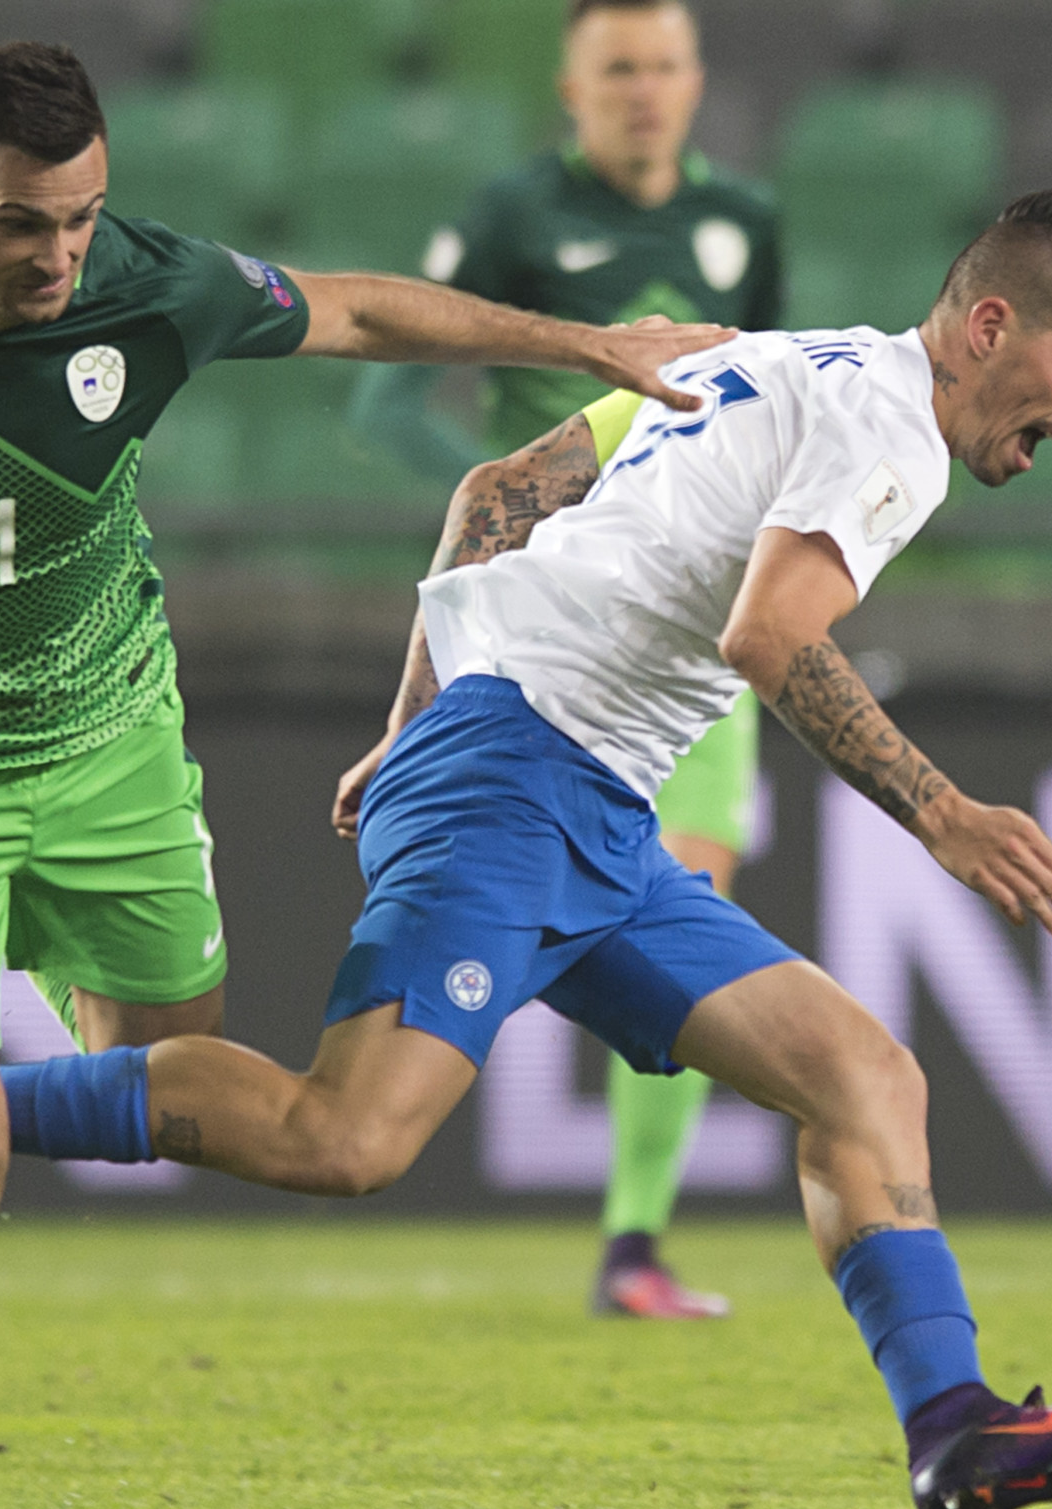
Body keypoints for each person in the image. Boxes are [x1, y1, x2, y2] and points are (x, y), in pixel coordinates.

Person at [0, 188, 1052, 1509]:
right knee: (349, 1137)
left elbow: (502, 486)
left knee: (866, 1079)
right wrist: (939, 810)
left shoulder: (777, 357)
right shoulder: (895, 429)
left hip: (569, 792)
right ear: (993, 326)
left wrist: (408, 725)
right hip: (523, 773)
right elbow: (770, 636)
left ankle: (952, 1426)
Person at [0, 40, 727, 1509]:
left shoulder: (147, 288)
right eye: (27, 226)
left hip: (107, 743)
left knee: (178, 1067)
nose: (61, 259)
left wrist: (590, 341)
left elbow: (363, 310)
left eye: (84, 221)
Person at [354, 0, 785, 1318]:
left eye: (663, 67)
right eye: (618, 71)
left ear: (697, 81)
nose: (643, 92)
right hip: (544, 629)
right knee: (515, 893)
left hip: (692, 631)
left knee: (692, 904)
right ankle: (356, 1110)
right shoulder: (510, 217)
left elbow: (769, 398)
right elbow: (383, 403)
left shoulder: (747, 228)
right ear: (572, 88)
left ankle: (632, 1243)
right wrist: (526, 505)